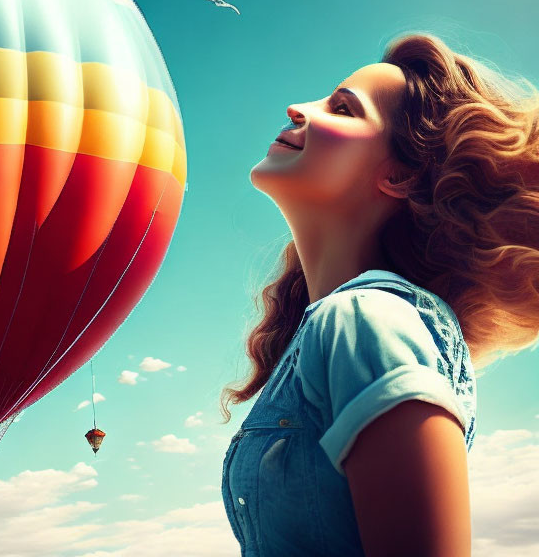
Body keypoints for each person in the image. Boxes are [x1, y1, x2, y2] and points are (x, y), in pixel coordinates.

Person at [220, 33, 539, 557]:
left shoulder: (366, 319)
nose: (296, 108)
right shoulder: (341, 326)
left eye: (342, 109)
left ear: (399, 175)